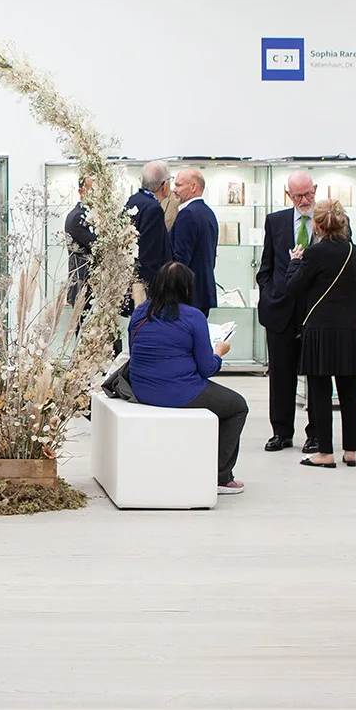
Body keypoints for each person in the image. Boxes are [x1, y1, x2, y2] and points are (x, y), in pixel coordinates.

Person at [282, 199, 356, 469]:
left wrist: (295, 262)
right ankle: (351, 450)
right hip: (349, 330)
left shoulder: (313, 254)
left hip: (319, 331)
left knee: (320, 392)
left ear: (317, 226)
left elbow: (292, 289)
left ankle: (326, 452)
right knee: (350, 393)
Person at [124, 261, 247, 493]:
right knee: (238, 406)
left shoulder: (140, 311)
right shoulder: (193, 316)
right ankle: (221, 476)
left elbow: (136, 351)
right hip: (178, 391)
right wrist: (219, 352)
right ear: (187, 288)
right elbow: (207, 368)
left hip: (141, 388)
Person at [256, 169, 317, 453]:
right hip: (280, 311)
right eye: (298, 195)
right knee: (281, 375)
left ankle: (316, 432)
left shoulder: (327, 219)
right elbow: (265, 267)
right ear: (288, 195)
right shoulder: (276, 221)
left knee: (316, 375)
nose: (304, 200)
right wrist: (269, 294)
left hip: (314, 311)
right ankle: (281, 431)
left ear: (315, 190)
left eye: (308, 194)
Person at [167, 168, 219, 314]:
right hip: (202, 293)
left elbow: (181, 261)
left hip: (187, 297)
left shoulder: (187, 214)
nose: (174, 189)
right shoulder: (208, 213)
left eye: (178, 185)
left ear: (193, 187)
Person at [124, 162, 172, 301]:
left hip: (130, 279)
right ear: (165, 185)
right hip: (146, 288)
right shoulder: (153, 209)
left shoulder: (133, 200)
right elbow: (150, 253)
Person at [63, 176, 97, 313]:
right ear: (81, 192)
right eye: (92, 190)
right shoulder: (78, 217)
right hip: (83, 284)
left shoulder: (90, 214)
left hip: (91, 284)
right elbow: (97, 244)